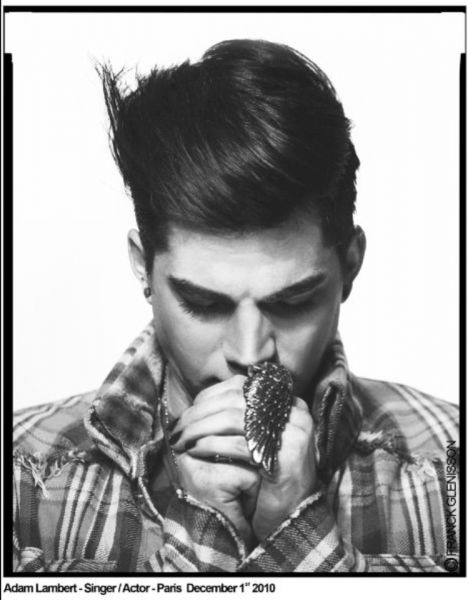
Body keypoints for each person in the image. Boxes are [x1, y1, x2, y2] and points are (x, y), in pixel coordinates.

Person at [13, 39, 459, 573]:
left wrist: (299, 531)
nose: (249, 353)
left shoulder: (448, 467)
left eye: (292, 302)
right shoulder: (21, 473)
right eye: (203, 304)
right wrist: (204, 535)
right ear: (143, 268)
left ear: (351, 267)